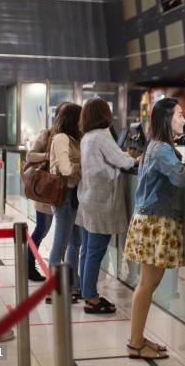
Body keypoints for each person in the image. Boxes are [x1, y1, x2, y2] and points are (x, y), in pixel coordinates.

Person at [124, 98, 185, 360]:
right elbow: (180, 178)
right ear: (166, 119)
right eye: (180, 115)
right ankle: (135, 343)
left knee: (150, 282)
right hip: (155, 222)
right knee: (148, 283)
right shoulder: (161, 149)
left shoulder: (157, 147)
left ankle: (137, 338)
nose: (184, 120)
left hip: (152, 220)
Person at [76, 98, 136, 314]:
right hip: (101, 201)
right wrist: (134, 159)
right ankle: (91, 297)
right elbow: (122, 161)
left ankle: (86, 291)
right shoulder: (102, 135)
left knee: (87, 249)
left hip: (88, 198)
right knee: (95, 250)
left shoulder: (87, 137)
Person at [24, 102, 67, 282]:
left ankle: (64, 272)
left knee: (63, 234)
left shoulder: (71, 136)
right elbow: (29, 156)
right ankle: (28, 266)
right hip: (46, 190)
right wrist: (47, 156)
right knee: (42, 229)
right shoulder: (47, 134)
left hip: (63, 192)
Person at [47, 103, 83, 303]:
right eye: (80, 117)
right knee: (61, 244)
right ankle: (56, 290)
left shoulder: (75, 138)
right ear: (73, 119)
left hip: (74, 195)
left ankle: (71, 285)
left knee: (75, 243)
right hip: (64, 195)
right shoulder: (61, 138)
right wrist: (84, 164)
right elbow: (66, 169)